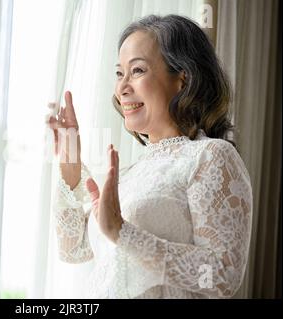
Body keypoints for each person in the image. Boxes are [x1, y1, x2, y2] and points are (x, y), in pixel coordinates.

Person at [46, 14, 253, 299]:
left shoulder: (211, 157)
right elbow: (73, 248)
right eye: (119, 73)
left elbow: (222, 275)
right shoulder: (131, 174)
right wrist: (69, 160)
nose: (122, 88)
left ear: (183, 79)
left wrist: (121, 231)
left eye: (137, 71)